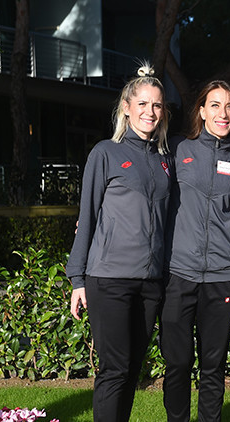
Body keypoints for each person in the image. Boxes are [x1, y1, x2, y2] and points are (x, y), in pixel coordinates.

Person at [67, 64, 171, 422]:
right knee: (114, 369)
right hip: (109, 279)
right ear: (126, 107)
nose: (149, 112)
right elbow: (87, 217)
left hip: (150, 283)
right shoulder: (105, 153)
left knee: (132, 369)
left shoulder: (164, 160)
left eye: (156, 105)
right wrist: (77, 279)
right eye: (142, 104)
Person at [161, 80, 230, 422]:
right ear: (201, 111)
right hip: (178, 273)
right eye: (215, 105)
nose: (222, 113)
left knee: (213, 365)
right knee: (178, 362)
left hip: (221, 274)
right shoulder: (177, 149)